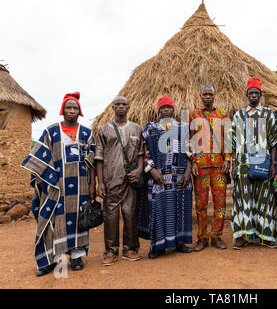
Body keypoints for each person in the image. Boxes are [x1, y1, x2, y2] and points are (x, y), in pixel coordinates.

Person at [22, 92, 96, 276]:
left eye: (75, 108)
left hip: (80, 186)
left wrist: (93, 185)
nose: (72, 110)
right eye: (68, 107)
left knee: (79, 220)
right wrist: (40, 177)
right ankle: (49, 259)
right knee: (51, 221)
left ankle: (77, 256)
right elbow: (38, 156)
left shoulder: (86, 133)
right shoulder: (51, 131)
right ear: (63, 110)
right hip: (55, 186)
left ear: (80, 111)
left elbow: (92, 160)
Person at [139, 95, 193, 259]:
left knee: (180, 209)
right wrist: (152, 171)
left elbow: (190, 152)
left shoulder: (183, 127)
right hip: (158, 178)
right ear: (159, 110)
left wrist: (188, 172)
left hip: (179, 177)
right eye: (163, 107)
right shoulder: (150, 129)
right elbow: (143, 154)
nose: (166, 109)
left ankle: (180, 243)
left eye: (169, 107)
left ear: (173, 108)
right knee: (158, 210)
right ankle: (158, 246)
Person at [230, 77, 277, 249]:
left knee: (264, 198)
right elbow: (233, 142)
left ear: (260, 94)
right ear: (246, 94)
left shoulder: (269, 114)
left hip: (263, 163)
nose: (253, 96)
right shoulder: (238, 115)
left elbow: (274, 141)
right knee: (243, 199)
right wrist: (233, 164)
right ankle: (244, 236)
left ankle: (266, 235)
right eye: (250, 93)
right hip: (243, 164)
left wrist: (273, 164)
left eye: (256, 93)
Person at [95, 96, 144, 266]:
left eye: (124, 104)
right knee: (111, 216)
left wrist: (138, 170)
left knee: (130, 214)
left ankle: (131, 248)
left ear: (129, 107)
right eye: (118, 104)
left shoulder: (137, 129)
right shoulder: (104, 130)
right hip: (111, 179)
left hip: (130, 181)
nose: (121, 107)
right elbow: (99, 158)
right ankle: (110, 251)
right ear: (113, 107)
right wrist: (100, 182)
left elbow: (140, 155)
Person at [190, 83, 231, 251]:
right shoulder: (194, 114)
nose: (207, 97)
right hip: (200, 166)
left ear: (214, 96)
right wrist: (192, 161)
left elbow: (228, 138)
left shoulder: (222, 114)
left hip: (219, 166)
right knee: (200, 204)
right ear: (200, 96)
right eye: (205, 94)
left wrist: (228, 160)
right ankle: (202, 237)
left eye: (210, 94)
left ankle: (216, 235)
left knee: (220, 203)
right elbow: (190, 139)